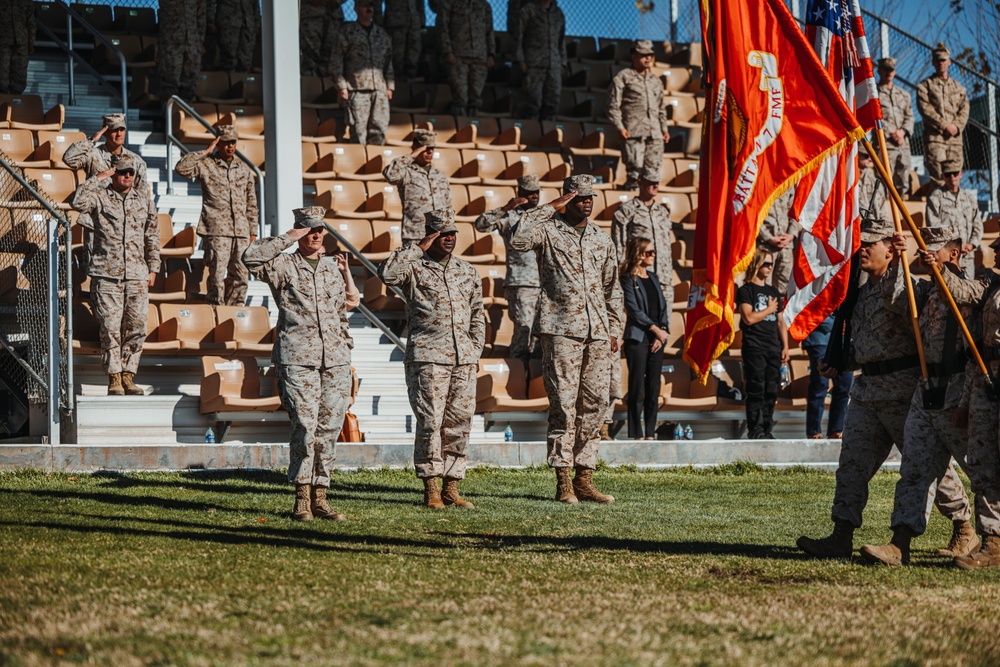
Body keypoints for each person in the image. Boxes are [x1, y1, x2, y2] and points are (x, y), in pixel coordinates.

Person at [796, 218, 971, 559]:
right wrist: (841, 362)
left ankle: (963, 526)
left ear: (891, 250)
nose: (861, 250)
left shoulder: (907, 285)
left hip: (904, 392)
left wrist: (901, 264)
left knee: (927, 467)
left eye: (870, 244)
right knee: (852, 465)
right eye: (860, 244)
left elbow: (902, 305)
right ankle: (841, 534)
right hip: (867, 392)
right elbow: (866, 343)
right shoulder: (859, 295)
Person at [860, 226, 978, 565]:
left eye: (934, 249)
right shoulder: (925, 292)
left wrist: (939, 270)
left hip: (960, 390)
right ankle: (900, 543)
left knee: (982, 471)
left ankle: (989, 538)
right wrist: (898, 259)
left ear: (953, 254)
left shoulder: (976, 289)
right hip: (927, 390)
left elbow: (960, 292)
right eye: (921, 249)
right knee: (915, 468)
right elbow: (895, 296)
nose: (925, 254)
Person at [510, 175, 623, 504]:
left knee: (595, 405)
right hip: (560, 329)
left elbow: (612, 288)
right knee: (563, 406)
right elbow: (518, 240)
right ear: (567, 199)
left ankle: (584, 476)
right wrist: (548, 208)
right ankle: (563, 481)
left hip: (597, 332)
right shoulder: (547, 229)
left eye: (590, 197)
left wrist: (613, 328)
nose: (587, 202)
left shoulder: (601, 239)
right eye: (579, 197)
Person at [242, 207, 359, 522]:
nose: (316, 234)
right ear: (299, 232)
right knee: (305, 428)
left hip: (335, 360)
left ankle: (321, 497)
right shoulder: (284, 265)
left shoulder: (333, 267)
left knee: (329, 428)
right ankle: (302, 498)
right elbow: (250, 257)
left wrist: (346, 350)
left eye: (320, 229)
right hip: (298, 359)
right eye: (308, 230)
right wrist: (288, 238)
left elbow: (341, 313)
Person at [379, 209, 485, 509]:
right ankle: (431, 487)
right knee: (430, 422)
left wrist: (475, 348)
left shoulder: (467, 271)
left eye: (453, 233)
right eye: (442, 233)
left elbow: (478, 313)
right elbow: (387, 274)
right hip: (428, 357)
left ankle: (452, 487)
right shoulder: (414, 268)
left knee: (459, 423)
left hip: (463, 358)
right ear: (430, 235)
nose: (449, 239)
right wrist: (417, 247)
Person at [929, 235, 1000, 568]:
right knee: (984, 465)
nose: (995, 252)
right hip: (987, 382)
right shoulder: (989, 288)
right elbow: (960, 293)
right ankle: (993, 542)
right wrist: (939, 269)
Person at [70, 154, 159, 397]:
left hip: (137, 276)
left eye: (131, 172)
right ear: (114, 173)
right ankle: (114, 377)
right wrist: (97, 178)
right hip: (106, 274)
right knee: (110, 327)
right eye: (122, 172)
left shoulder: (144, 201)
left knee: (137, 326)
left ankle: (129, 375)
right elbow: (77, 203)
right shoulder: (99, 197)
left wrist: (153, 268)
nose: (128, 175)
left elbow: (152, 236)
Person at [174, 125, 259, 306]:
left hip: (241, 232)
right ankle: (216, 312)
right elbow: (181, 168)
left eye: (233, 142)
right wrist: (205, 151)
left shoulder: (244, 169)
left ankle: (234, 313)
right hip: (217, 230)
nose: (230, 146)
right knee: (217, 276)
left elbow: (251, 203)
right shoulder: (206, 165)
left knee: (241, 276)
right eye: (225, 142)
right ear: (218, 142)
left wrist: (253, 232)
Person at [473, 174, 542, 360]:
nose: (535, 196)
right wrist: (504, 208)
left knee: (540, 334)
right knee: (524, 330)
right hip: (521, 283)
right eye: (530, 193)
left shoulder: (545, 217)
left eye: (537, 192)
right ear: (520, 193)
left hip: (545, 284)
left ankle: (532, 378)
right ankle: (518, 371)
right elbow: (480, 225)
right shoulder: (509, 217)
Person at [736, 248, 789, 439]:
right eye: (765, 263)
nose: (769, 267)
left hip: (773, 346)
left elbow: (781, 321)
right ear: (756, 264)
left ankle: (767, 429)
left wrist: (786, 346)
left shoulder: (773, 291)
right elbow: (748, 318)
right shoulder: (745, 290)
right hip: (754, 346)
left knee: (771, 391)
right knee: (756, 389)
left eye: (771, 264)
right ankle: (755, 430)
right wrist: (768, 310)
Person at [620, 237, 669, 440]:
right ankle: (636, 433)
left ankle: (650, 433)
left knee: (653, 387)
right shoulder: (627, 278)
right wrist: (655, 329)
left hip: (657, 338)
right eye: (649, 252)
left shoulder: (654, 277)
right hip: (638, 338)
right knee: (637, 386)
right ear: (639, 254)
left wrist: (662, 331)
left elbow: (663, 307)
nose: (653, 255)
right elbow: (633, 309)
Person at [607, 40, 670, 191]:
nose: (647, 58)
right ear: (634, 56)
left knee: (652, 176)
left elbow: (661, 108)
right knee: (635, 176)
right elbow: (613, 105)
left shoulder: (656, 81)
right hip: (633, 134)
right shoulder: (623, 77)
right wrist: (619, 127)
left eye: (650, 55)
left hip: (655, 135)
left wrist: (664, 128)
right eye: (643, 55)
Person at [332, 0, 395, 146]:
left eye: (371, 5)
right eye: (365, 5)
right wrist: (341, 86)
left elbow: (388, 62)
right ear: (356, 8)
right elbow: (336, 61)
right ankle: (360, 164)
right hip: (356, 89)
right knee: (358, 131)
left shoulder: (382, 34)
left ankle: (374, 165)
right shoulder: (347, 32)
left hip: (379, 90)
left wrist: (390, 86)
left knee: (379, 130)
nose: (369, 9)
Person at [611, 168, 674, 308]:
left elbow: (667, 246)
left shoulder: (663, 212)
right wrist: (623, 276)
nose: (655, 186)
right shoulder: (626, 211)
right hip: (639, 277)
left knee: (664, 324)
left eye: (657, 182)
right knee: (642, 323)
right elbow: (618, 246)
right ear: (640, 182)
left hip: (663, 278)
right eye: (651, 182)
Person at [383, 129, 452, 245]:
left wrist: (448, 230)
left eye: (432, 149)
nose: (429, 152)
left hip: (439, 233)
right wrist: (411, 156)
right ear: (415, 148)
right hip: (415, 234)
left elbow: (448, 205)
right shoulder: (406, 172)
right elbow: (390, 175)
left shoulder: (440, 176)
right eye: (425, 148)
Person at [917, 43, 969, 184]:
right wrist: (944, 125)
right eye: (938, 60)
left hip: (955, 141)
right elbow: (925, 109)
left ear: (949, 61)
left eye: (944, 60)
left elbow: (964, 109)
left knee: (954, 181)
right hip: (935, 140)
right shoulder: (925, 86)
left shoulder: (959, 88)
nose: (941, 63)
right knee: (938, 180)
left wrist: (956, 127)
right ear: (933, 62)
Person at [437, 0, 495, 117]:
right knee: (460, 97)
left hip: (480, 58)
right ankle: (459, 127)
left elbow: (489, 31)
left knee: (476, 98)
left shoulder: (484, 5)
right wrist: (448, 51)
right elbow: (443, 28)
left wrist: (491, 54)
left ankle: (473, 127)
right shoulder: (450, 4)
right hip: (458, 56)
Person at [926, 161, 982, 278]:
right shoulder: (936, 197)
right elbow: (934, 226)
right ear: (942, 176)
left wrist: (971, 245)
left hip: (967, 257)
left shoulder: (969, 198)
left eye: (955, 173)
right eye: (948, 174)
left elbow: (977, 224)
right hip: (946, 257)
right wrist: (955, 246)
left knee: (968, 291)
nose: (952, 177)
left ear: (960, 174)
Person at [801, 314, 853, 439]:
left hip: (843, 339)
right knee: (820, 382)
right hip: (819, 336)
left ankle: (836, 429)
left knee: (845, 384)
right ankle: (814, 431)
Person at [515, 0, 566, 121]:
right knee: (533, 102)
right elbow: (519, 37)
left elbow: (561, 40)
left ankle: (549, 134)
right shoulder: (528, 10)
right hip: (534, 64)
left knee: (552, 103)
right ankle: (531, 134)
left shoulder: (558, 14)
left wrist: (563, 62)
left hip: (554, 65)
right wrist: (520, 59)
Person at [876, 57, 914, 197]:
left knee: (903, 180)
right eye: (885, 70)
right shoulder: (874, 93)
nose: (888, 73)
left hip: (903, 144)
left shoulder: (904, 95)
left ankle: (900, 211)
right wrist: (891, 133)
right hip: (885, 143)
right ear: (879, 71)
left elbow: (910, 116)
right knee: (884, 180)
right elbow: (874, 117)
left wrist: (903, 132)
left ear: (895, 72)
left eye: (891, 70)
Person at [157, 0, 207, 104]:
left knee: (189, 85)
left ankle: (184, 117)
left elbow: (201, 14)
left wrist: (200, 40)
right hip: (172, 43)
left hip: (192, 43)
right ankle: (168, 118)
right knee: (170, 85)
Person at [756, 187, 799, 295]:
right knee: (763, 283)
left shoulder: (789, 181)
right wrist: (768, 237)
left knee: (784, 284)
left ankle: (779, 311)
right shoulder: (761, 180)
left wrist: (791, 235)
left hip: (786, 245)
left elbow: (796, 210)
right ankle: (765, 311)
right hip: (765, 244)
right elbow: (753, 213)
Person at [208, 0, 259, 72]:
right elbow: (211, 3)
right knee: (229, 59)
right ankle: (227, 81)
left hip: (247, 24)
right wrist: (211, 22)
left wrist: (257, 23)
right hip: (228, 23)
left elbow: (255, 4)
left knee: (245, 60)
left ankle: (243, 80)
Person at [299, 0, 347, 77]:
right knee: (309, 56)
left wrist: (336, 1)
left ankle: (329, 84)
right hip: (310, 14)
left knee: (331, 54)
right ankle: (309, 84)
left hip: (333, 14)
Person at [382, 0, 424, 81]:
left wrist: (422, 20)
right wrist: (378, 20)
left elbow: (420, 2)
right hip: (395, 21)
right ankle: (397, 83)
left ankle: (411, 79)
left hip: (413, 22)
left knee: (414, 53)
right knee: (397, 55)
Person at [0, 0, 35, 95]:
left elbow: (30, 20)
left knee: (20, 76)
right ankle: (3, 103)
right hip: (3, 42)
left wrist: (31, 41)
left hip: (21, 43)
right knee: (2, 76)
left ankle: (15, 103)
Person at [858, 147, 889, 220]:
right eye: (866, 156)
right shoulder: (847, 183)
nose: (870, 159)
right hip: (856, 228)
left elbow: (883, 212)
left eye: (871, 156)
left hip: (874, 227)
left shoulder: (875, 183)